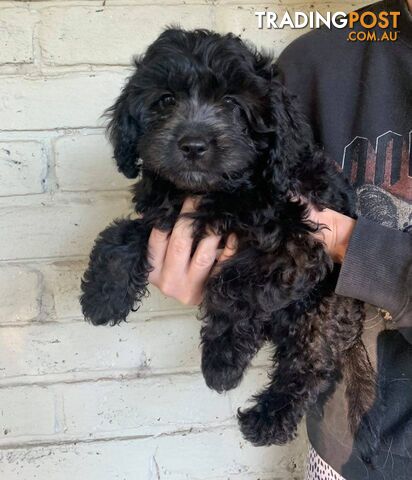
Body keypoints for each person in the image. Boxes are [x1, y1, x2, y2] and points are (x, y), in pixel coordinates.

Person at [147, 0, 412, 478]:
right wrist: (199, 256)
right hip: (352, 449)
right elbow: (234, 210)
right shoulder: (316, 59)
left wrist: (349, 244)